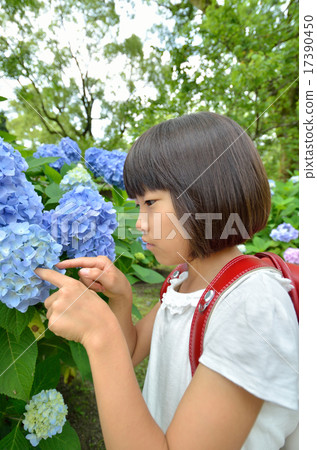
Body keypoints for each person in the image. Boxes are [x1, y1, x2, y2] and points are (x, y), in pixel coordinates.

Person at [36, 112, 298, 450]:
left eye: (150, 203)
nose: (140, 224)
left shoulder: (249, 304)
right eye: (136, 205)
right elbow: (128, 353)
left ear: (204, 194)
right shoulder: (185, 280)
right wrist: (121, 300)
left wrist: (98, 332)